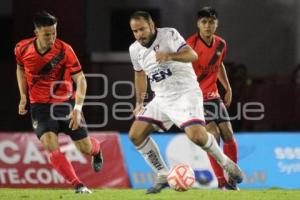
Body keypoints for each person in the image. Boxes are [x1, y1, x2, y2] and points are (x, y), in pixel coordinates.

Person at [128, 11, 243, 194]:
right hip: (162, 99)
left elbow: (192, 55)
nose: (139, 35)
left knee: (197, 136)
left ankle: (226, 162)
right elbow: (139, 74)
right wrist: (139, 103)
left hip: (185, 93)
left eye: (141, 29)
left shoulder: (169, 34)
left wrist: (170, 55)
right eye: (134, 31)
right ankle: (163, 174)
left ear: (151, 26)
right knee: (135, 135)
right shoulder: (134, 49)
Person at [15, 11, 103, 194]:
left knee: (85, 148)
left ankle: (96, 149)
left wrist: (78, 109)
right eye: (47, 34)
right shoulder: (22, 48)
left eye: (54, 33)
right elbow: (20, 70)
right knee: (49, 143)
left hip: (65, 104)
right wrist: (23, 96)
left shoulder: (65, 50)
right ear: (36, 33)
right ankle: (78, 185)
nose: (52, 38)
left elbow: (81, 80)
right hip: (39, 106)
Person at [186, 7, 239, 190]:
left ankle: (231, 179)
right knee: (213, 135)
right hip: (197, 98)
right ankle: (221, 181)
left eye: (211, 22)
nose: (207, 26)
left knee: (229, 134)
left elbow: (218, 64)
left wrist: (227, 87)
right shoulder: (190, 45)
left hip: (214, 96)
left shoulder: (221, 44)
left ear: (217, 24)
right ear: (198, 24)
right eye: (204, 22)